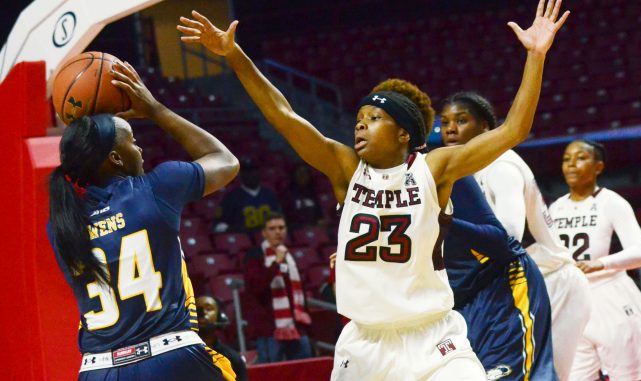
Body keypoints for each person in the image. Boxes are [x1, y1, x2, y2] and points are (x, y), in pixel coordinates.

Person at [177, 1, 568, 378]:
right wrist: (234, 55)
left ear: (403, 133)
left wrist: (535, 57)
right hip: (365, 341)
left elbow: (514, 130)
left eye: (374, 118)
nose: (360, 125)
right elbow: (282, 114)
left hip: (432, 335)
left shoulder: (434, 168)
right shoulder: (345, 169)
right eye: (360, 118)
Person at [46, 61, 239, 380]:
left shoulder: (60, 225)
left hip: (97, 370)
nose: (140, 148)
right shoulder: (156, 188)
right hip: (169, 358)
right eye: (132, 140)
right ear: (115, 158)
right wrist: (154, 109)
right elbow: (225, 161)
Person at [439, 90, 591, 380]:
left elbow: (509, 235)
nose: (450, 129)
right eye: (445, 122)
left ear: (485, 127)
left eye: (461, 120)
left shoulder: (500, 164)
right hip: (512, 285)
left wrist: (449, 227)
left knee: (542, 375)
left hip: (551, 279)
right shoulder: (462, 171)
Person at [549, 140, 641, 380]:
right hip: (574, 299)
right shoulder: (556, 208)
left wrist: (601, 263)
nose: (571, 165)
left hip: (611, 295)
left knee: (632, 377)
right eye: (567, 159)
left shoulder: (613, 202)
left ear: (598, 167)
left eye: (580, 158)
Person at [444, 176, 556, 380]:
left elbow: (506, 237)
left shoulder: (442, 171)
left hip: (501, 286)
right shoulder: (369, 185)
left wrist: (441, 221)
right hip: (451, 302)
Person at [242, 212, 313, 363]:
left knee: (305, 369)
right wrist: (276, 264)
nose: (278, 232)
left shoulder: (289, 256)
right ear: (264, 233)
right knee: (272, 373)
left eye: (281, 227)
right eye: (272, 228)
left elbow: (297, 292)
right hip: (269, 329)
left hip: (296, 326)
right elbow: (256, 287)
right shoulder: (254, 256)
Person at [214, 158, 281, 233]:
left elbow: (280, 218)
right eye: (247, 172)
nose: (251, 175)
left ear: (259, 172)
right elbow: (218, 226)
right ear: (241, 175)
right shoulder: (231, 198)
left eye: (253, 171)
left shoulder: (269, 194)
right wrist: (234, 229)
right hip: (244, 241)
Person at [196, 295, 249, 381]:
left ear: (220, 316)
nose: (203, 313)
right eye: (197, 309)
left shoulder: (233, 358)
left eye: (209, 309)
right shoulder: (182, 357)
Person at [282, 164, 325, 229]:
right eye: (300, 173)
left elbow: (319, 213)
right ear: (294, 175)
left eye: (305, 173)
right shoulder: (288, 193)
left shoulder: (312, 192)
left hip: (314, 227)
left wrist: (320, 221)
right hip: (296, 229)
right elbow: (287, 217)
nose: (303, 176)